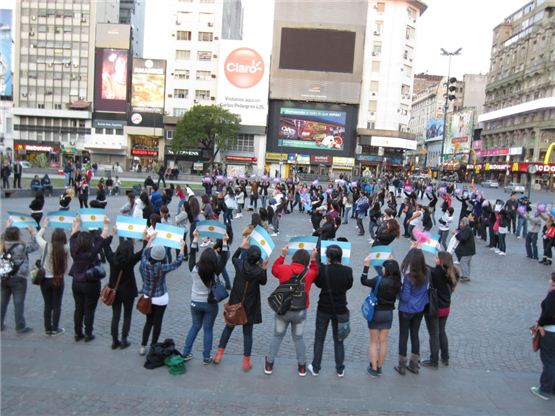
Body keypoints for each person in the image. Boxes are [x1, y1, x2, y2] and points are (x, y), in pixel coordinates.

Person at [214, 240, 268, 371]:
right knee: (248, 334)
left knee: (228, 327)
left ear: (247, 256)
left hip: (235, 303)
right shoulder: (259, 271)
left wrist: (241, 247)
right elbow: (264, 282)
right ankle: (246, 362)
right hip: (249, 306)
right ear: (258, 259)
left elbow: (233, 258)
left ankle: (219, 354)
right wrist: (264, 268)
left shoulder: (240, 264)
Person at [264, 246, 319, 376]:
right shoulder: (309, 273)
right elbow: (316, 270)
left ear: (293, 258)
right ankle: (302, 366)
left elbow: (274, 270)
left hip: (282, 309)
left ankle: (269, 364)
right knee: (298, 338)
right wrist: (313, 258)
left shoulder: (284, 269)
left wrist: (282, 255)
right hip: (300, 311)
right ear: (305, 261)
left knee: (277, 336)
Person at [182, 230, 229, 363]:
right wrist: (224, 242)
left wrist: (195, 238)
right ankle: (206, 357)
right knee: (208, 330)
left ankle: (186, 352)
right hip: (210, 304)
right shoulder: (215, 271)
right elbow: (224, 259)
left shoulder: (194, 269)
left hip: (195, 303)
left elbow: (191, 255)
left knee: (195, 326)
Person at [308, 244, 353, 377]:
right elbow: (348, 285)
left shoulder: (323, 270)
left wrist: (314, 260)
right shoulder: (348, 271)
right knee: (339, 340)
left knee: (319, 338)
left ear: (327, 257)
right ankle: (340, 368)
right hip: (340, 309)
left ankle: (316, 367)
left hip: (324, 307)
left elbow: (318, 284)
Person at [138, 234, 185, 355]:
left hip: (148, 296)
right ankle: (153, 346)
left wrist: (150, 241)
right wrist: (182, 248)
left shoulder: (144, 264)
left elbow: (144, 252)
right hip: (160, 298)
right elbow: (177, 262)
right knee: (157, 323)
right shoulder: (162, 268)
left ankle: (143, 346)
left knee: (148, 322)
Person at [68, 216, 109, 342]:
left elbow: (72, 236)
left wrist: (77, 223)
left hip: (76, 282)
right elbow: (102, 238)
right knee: (89, 309)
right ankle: (88, 334)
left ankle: (77, 333)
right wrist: (106, 224)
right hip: (91, 283)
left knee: (78, 308)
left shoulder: (74, 251)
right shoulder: (92, 252)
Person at [361, 258, 401, 377]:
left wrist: (366, 266)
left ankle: (373, 368)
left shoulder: (378, 280)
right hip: (388, 313)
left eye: (383, 267)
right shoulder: (398, 282)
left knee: (374, 341)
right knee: (383, 341)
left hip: (376, 312)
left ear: (387, 269)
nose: (382, 269)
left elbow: (363, 281)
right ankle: (379, 367)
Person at [103, 231, 144, 350]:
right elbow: (143, 251)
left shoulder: (112, 259)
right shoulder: (130, 260)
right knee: (127, 315)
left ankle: (114, 340)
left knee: (115, 315)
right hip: (128, 292)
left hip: (115, 292)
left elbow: (105, 246)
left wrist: (111, 234)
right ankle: (124, 339)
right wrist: (147, 238)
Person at [395, 248, 429, 375]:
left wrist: (400, 291)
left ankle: (402, 365)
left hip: (406, 309)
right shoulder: (427, 274)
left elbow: (405, 298)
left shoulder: (409, 278)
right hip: (419, 309)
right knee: (415, 334)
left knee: (403, 336)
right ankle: (414, 364)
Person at [422, 252, 458, 369]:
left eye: (437, 257)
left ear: (442, 260)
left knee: (434, 334)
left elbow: (424, 267)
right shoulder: (454, 273)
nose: (434, 258)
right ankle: (445, 357)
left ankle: (434, 360)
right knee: (442, 331)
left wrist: (416, 251)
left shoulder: (436, 273)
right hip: (445, 308)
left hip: (434, 307)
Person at [0, 222, 39, 333]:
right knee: (18, 302)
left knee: (2, 302)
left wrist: (7, 227)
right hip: (19, 277)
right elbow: (35, 246)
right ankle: (20, 326)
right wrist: (33, 233)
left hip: (4, 276)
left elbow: (2, 236)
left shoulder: (1, 244)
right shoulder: (21, 246)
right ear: (18, 235)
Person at [36, 220, 69, 335]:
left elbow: (38, 236)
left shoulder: (46, 246)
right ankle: (55, 328)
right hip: (58, 279)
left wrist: (44, 226)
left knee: (47, 304)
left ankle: (47, 328)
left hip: (45, 279)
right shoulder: (65, 248)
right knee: (57, 304)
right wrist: (74, 226)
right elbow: (74, 239)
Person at [530, 272, 555, 400]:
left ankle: (545, 389)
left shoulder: (552, 295)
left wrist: (539, 323)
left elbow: (548, 314)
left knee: (549, 361)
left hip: (550, 332)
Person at [454, 217, 475, 282]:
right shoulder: (466, 229)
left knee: (463, 262)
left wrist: (457, 234)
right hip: (469, 250)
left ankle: (466, 276)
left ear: (464, 223)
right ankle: (466, 275)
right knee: (467, 263)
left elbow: (463, 238)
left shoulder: (467, 230)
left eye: (461, 223)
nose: (460, 224)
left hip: (467, 250)